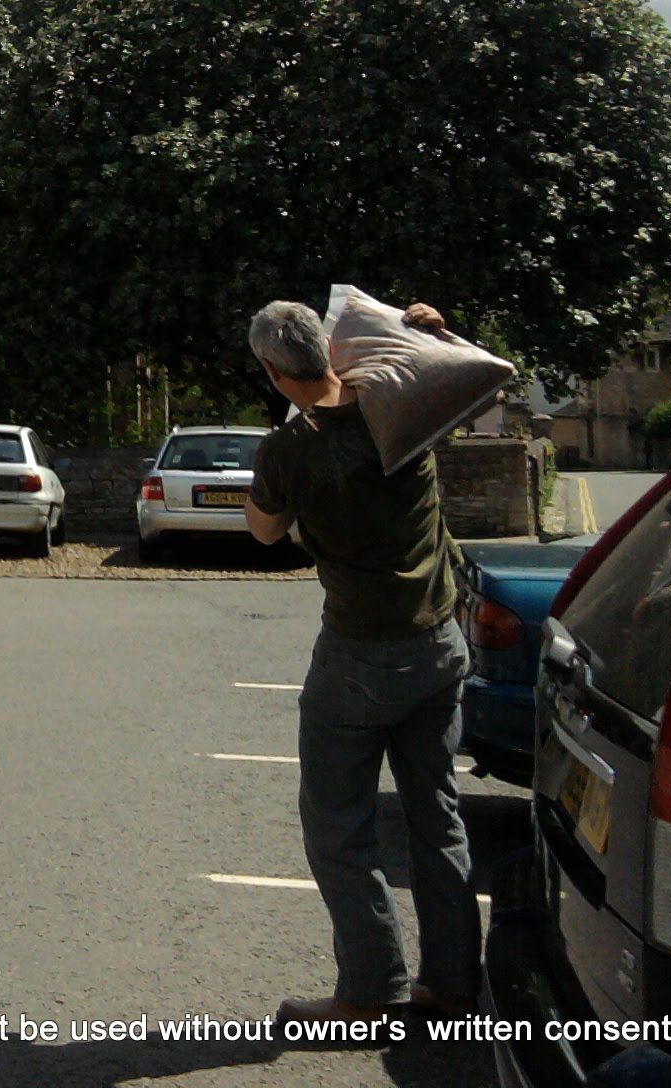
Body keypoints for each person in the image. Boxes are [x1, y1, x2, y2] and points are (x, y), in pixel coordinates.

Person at [243, 298, 479, 1027]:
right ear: (329, 346)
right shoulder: (396, 403)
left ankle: (372, 992)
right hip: (439, 639)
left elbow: (262, 530)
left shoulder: (290, 449)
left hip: (359, 655)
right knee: (436, 819)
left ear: (276, 371)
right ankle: (454, 985)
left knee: (339, 823)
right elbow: (465, 373)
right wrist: (430, 329)